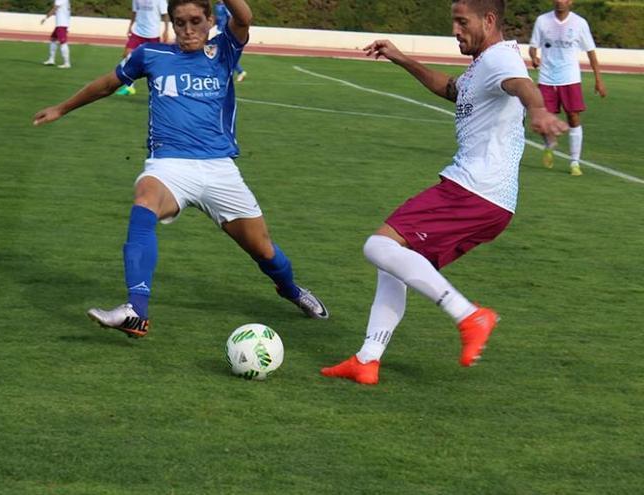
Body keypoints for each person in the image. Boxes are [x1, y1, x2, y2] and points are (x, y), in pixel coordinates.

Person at [33, 0, 329, 338]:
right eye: (180, 22)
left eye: (195, 21)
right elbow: (107, 84)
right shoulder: (151, 55)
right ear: (172, 24)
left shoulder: (225, 50)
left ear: (209, 21)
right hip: (169, 165)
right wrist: (62, 108)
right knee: (144, 201)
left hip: (220, 169)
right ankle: (136, 311)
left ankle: (291, 290)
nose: (188, 30)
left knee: (264, 250)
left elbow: (245, 16)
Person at [320, 0, 568, 385]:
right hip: (488, 199)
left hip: (472, 191)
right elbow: (453, 89)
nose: (454, 29)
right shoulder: (482, 65)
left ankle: (469, 316)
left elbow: (522, 85)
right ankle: (367, 360)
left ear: (488, 20)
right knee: (394, 266)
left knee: (378, 247)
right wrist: (401, 58)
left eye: (461, 21)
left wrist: (537, 109)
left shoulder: (500, 60)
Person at [529, 0, 607, 176]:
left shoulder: (579, 23)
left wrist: (598, 80)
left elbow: (591, 52)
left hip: (570, 77)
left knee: (573, 117)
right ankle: (549, 145)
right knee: (545, 119)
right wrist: (534, 57)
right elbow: (533, 47)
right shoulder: (542, 21)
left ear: (570, 2)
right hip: (547, 77)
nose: (560, 2)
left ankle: (574, 162)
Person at [115, 0, 170, 96]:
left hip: (153, 34)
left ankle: (159, 87)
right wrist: (130, 26)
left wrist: (166, 30)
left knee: (155, 64)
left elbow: (165, 14)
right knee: (127, 55)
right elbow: (134, 12)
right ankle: (130, 87)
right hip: (138, 32)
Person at [214, 0, 247, 82]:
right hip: (218, 31)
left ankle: (240, 71)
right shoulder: (217, 5)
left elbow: (233, 17)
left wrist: (230, 31)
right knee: (220, 55)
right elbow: (217, 20)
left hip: (223, 32)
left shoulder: (225, 6)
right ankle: (235, 72)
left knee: (225, 55)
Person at [41, 0, 71, 68]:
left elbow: (54, 9)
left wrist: (45, 18)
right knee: (53, 39)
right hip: (61, 23)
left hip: (62, 23)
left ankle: (67, 63)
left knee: (63, 42)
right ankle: (51, 59)